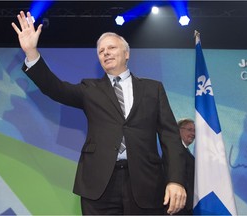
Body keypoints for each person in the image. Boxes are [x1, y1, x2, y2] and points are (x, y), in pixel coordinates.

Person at [11, 11, 187, 215]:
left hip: (145, 183)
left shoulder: (152, 89)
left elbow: (170, 136)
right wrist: (31, 53)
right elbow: (55, 88)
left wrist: (175, 180)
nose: (106, 53)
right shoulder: (90, 88)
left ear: (127, 53)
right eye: (101, 51)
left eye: (111, 47)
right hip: (99, 185)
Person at [175, 118, 195, 215]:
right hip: (179, 205)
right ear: (179, 130)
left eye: (195, 131)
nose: (193, 133)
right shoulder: (176, 151)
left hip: (186, 206)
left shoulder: (186, 152)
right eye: (190, 129)